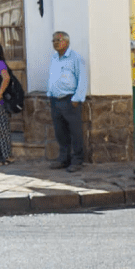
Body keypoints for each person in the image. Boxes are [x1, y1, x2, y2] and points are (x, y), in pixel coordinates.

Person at [46, 31, 88, 172]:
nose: (55, 43)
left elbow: (82, 79)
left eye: (59, 40)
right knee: (60, 132)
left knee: (75, 132)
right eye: (54, 41)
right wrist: (50, 94)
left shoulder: (76, 58)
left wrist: (77, 98)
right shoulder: (54, 58)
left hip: (70, 100)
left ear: (67, 42)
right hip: (55, 101)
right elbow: (53, 78)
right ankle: (64, 159)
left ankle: (77, 160)